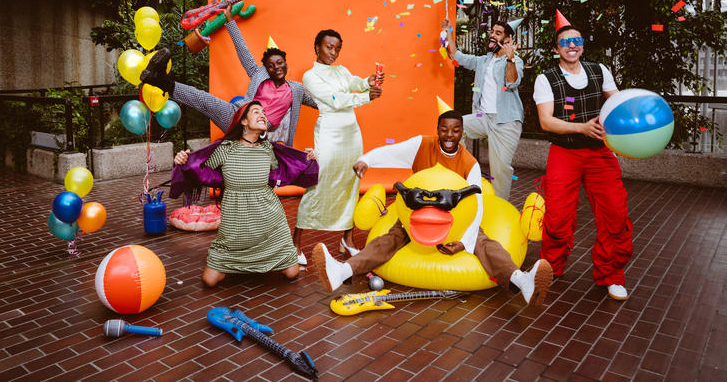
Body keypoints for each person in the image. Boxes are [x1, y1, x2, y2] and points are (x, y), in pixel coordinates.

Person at [312, 110, 553, 307]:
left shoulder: (470, 163)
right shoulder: (422, 145)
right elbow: (392, 152)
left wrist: (465, 243)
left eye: (456, 130)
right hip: (416, 218)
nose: (449, 135)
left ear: (463, 132)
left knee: (486, 245)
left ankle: (523, 282)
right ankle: (341, 272)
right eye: (444, 129)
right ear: (437, 130)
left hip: (455, 222)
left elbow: (476, 206)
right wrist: (367, 159)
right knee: (388, 240)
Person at [533, 12, 632, 301]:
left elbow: (616, 101)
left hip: (599, 153)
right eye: (565, 42)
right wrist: (581, 127)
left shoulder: (600, 70)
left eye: (576, 41)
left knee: (615, 212)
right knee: (558, 216)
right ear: (556, 49)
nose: (571, 46)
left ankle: (611, 274)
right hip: (564, 153)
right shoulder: (545, 78)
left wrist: (630, 113)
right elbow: (546, 122)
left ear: (583, 45)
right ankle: (551, 268)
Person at [172, 101, 316, 287]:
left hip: (270, 222)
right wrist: (182, 160)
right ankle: (239, 262)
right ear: (243, 122)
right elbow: (197, 167)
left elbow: (289, 168)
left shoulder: (267, 149)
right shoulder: (226, 148)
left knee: (292, 273)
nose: (263, 115)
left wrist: (307, 158)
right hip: (236, 226)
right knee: (209, 281)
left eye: (264, 112)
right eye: (257, 112)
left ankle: (268, 257)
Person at [141, 4, 317, 146]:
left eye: (279, 63)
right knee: (204, 99)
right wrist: (229, 21)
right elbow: (243, 51)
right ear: (266, 69)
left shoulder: (296, 89)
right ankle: (158, 80)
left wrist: (342, 103)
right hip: (239, 117)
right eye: (271, 65)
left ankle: (159, 80)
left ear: (286, 64)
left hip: (259, 131)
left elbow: (319, 102)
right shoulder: (258, 75)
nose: (276, 67)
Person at [293, 29, 383, 264]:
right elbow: (335, 100)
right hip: (330, 134)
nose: (333, 52)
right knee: (319, 183)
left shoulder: (341, 70)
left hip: (351, 134)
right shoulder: (310, 76)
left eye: (337, 48)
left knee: (351, 183)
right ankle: (295, 243)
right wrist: (365, 97)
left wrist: (368, 82)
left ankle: (347, 240)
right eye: (328, 47)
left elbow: (353, 82)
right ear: (317, 47)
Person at [441, 17, 525, 201]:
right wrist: (448, 31)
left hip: (506, 121)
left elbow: (512, 83)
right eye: (492, 32)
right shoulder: (483, 61)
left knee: (500, 169)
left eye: (498, 33)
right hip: (482, 116)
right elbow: (456, 56)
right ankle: (461, 172)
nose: (492, 35)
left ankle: (500, 208)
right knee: (455, 128)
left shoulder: (515, 61)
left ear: (507, 39)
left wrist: (510, 58)